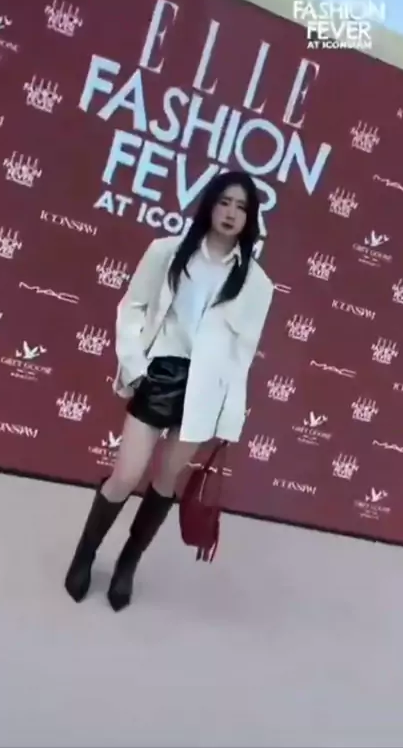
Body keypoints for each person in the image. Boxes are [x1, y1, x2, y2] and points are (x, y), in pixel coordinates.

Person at [64, 171, 274, 612]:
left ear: (250, 217)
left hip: (206, 392)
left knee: (165, 483)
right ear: (210, 204)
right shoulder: (166, 251)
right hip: (160, 374)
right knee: (126, 475)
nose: (231, 213)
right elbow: (133, 306)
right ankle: (85, 554)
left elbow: (242, 356)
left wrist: (229, 417)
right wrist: (135, 366)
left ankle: (128, 563)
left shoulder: (257, 284)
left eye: (241, 207)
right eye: (224, 202)